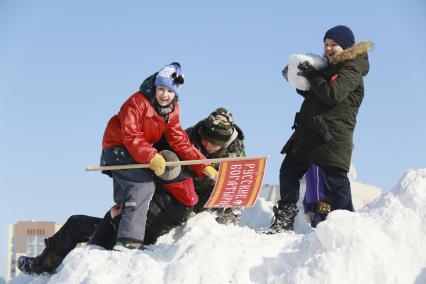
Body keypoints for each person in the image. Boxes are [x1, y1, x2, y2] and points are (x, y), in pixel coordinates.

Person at [17, 107, 245, 275]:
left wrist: (114, 220)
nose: (207, 146)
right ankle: (44, 265)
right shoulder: (187, 140)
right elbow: (159, 153)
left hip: (170, 215)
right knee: (83, 224)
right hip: (162, 206)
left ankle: (43, 267)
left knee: (79, 225)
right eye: (205, 140)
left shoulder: (234, 155)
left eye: (214, 144)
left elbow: (240, 187)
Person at [98, 62, 218, 250]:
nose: (164, 95)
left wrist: (203, 165)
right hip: (118, 149)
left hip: (141, 150)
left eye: (169, 91)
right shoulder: (136, 102)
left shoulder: (172, 110)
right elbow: (131, 136)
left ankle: (107, 236)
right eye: (161, 89)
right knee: (143, 185)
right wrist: (151, 156)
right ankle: (128, 240)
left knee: (152, 185)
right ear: (155, 87)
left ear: (176, 93)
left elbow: (179, 140)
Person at [267, 25, 373, 233]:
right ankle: (285, 218)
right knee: (288, 171)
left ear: (347, 46)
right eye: (326, 44)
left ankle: (346, 226)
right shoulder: (332, 68)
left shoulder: (352, 68)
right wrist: (297, 80)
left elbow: (332, 94)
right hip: (311, 132)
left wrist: (314, 76)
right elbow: (317, 96)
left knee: (336, 182)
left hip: (332, 136)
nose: (329, 48)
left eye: (334, 44)